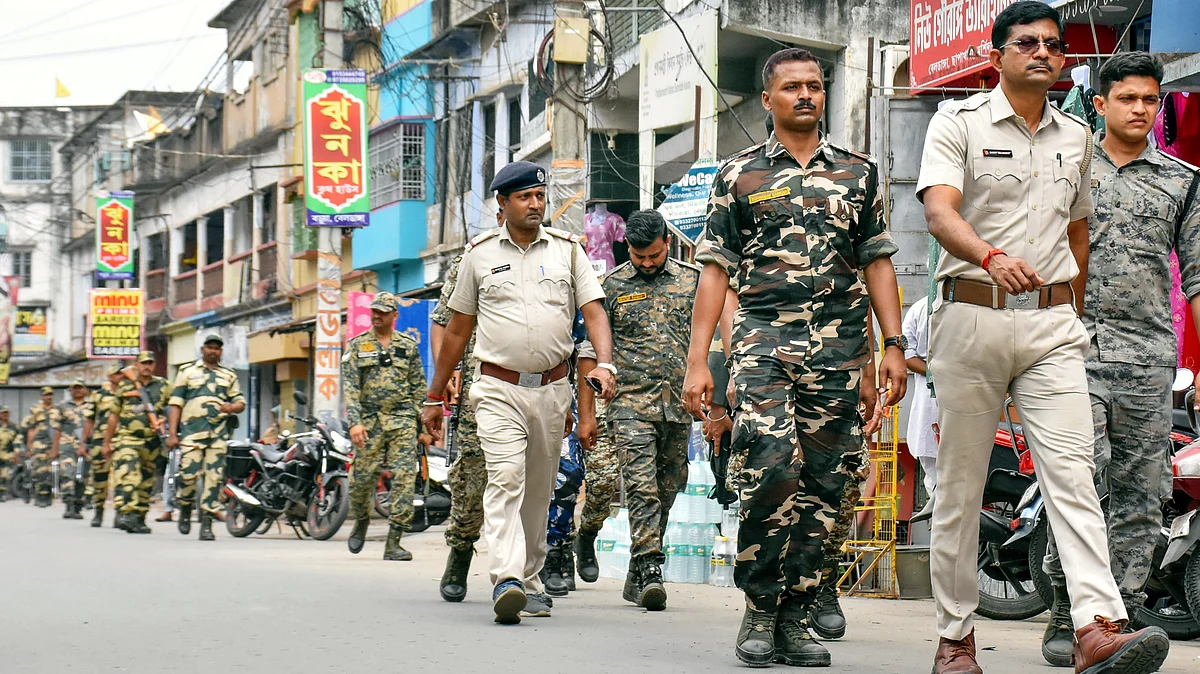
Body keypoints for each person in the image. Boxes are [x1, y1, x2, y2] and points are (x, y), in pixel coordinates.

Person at [916, 3, 1170, 672]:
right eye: (1025, 42)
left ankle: (1095, 625)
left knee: (1074, 474)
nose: (1041, 52)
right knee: (963, 488)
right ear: (996, 55)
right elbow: (939, 212)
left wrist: (1072, 314)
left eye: (1052, 45)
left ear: (1063, 61)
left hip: (1053, 328)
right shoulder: (956, 123)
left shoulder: (1076, 137)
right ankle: (955, 637)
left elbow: (1077, 231)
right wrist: (990, 254)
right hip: (971, 316)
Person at [683, 47, 906, 667]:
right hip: (761, 347)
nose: (806, 95)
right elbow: (714, 273)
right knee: (772, 466)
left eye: (815, 85)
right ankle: (759, 609)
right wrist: (700, 361)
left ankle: (795, 616)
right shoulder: (739, 176)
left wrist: (891, 347)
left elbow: (878, 263)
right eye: (792, 88)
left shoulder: (857, 174)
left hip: (838, 353)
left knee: (823, 486)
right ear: (768, 99)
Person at [1037, 51, 1200, 667]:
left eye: (1149, 100)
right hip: (1067, 349)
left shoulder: (1182, 181)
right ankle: (1066, 606)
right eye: (1127, 98)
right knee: (1079, 477)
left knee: (1140, 489)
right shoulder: (1065, 170)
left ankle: (1114, 616)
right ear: (1099, 104)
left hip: (1149, 358)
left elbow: (1196, 277)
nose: (1140, 109)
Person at [422, 160, 616, 625]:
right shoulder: (479, 256)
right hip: (496, 387)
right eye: (525, 197)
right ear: (502, 204)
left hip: (552, 390)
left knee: (538, 489)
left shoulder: (569, 252)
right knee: (506, 476)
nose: (535, 204)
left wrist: (605, 363)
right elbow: (455, 331)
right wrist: (434, 395)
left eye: (540, 196)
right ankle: (506, 577)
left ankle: (528, 581)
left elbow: (593, 312)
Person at [587, 209, 699, 611]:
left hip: (677, 403)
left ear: (667, 243)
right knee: (641, 486)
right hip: (631, 402)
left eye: (653, 255)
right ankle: (652, 567)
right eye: (639, 257)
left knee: (669, 486)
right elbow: (593, 346)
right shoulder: (612, 286)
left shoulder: (693, 281)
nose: (647, 263)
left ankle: (638, 565)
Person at [342, 292, 424, 561]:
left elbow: (418, 387)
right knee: (361, 479)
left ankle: (394, 541)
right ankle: (362, 520)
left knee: (404, 479)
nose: (377, 315)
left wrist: (422, 424)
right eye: (374, 310)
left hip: (402, 419)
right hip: (369, 421)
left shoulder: (408, 346)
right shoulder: (357, 346)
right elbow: (351, 388)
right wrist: (354, 422)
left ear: (394, 316)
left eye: (383, 312)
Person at [432, 251, 487, 599]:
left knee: (533, 480)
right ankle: (461, 550)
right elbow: (443, 321)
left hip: (535, 387)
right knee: (471, 476)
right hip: (477, 390)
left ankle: (530, 570)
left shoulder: (557, 255)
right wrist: (448, 370)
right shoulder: (472, 261)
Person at [166, 333, 245, 541]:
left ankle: (207, 524)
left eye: (217, 348)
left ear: (221, 351)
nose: (213, 351)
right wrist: (172, 434)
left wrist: (232, 407)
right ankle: (184, 507)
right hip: (191, 434)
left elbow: (239, 402)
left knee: (213, 480)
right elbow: (175, 404)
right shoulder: (187, 372)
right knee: (188, 476)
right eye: (209, 347)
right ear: (203, 350)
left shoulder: (229, 375)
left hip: (218, 436)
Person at [104, 351, 171, 534]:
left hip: (152, 441)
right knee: (128, 474)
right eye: (143, 363)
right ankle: (126, 512)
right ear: (136, 365)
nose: (147, 367)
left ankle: (139, 517)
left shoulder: (163, 385)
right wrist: (107, 443)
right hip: (128, 438)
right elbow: (113, 415)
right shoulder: (125, 385)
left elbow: (172, 409)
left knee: (146, 481)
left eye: (150, 363)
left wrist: (165, 422)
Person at [902, 295, 938, 501]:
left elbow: (907, 356)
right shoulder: (920, 308)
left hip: (955, 396)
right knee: (934, 476)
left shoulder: (918, 307)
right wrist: (937, 373)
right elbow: (906, 356)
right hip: (930, 402)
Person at [84, 363, 125, 527]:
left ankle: (121, 513)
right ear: (110, 376)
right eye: (117, 374)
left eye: (123, 373)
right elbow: (89, 419)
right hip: (101, 440)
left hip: (123, 439)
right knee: (100, 478)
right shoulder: (98, 395)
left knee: (123, 477)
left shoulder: (130, 393)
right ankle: (98, 510)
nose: (121, 376)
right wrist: (84, 442)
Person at [51, 379, 91, 520]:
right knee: (67, 474)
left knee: (84, 477)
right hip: (67, 444)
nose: (78, 390)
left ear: (85, 390)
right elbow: (57, 428)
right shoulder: (61, 406)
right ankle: (69, 505)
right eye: (75, 388)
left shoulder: (92, 406)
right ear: (70, 390)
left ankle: (79, 504)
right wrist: (54, 449)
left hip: (87, 445)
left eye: (80, 388)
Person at [22, 386, 59, 508]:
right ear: (42, 396)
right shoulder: (35, 410)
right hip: (39, 442)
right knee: (39, 470)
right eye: (46, 395)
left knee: (50, 471)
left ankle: (48, 495)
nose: (49, 397)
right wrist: (29, 447)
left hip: (52, 443)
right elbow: (31, 429)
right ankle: (39, 496)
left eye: (51, 395)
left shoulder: (57, 410)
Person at [0, 406, 23, 502]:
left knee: (5, 474)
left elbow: (18, 441)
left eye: (6, 413)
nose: (5, 415)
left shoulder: (13, 427)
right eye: (3, 413)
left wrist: (17, 453)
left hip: (7, 454)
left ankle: (1, 493)